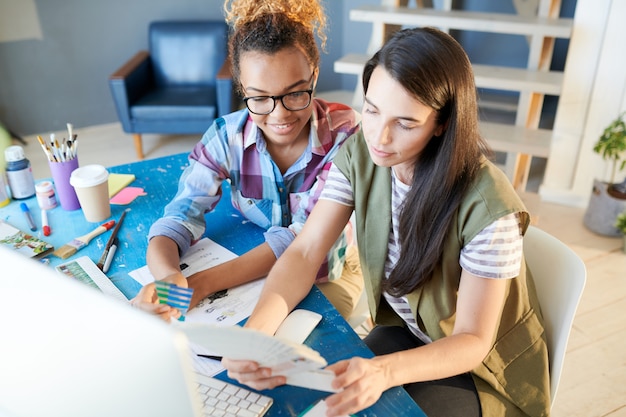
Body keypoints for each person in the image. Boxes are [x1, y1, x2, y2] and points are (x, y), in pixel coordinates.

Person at [222, 27, 551, 417]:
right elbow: (306, 250)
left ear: (442, 123)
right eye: (373, 110)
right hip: (406, 333)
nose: (379, 135)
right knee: (313, 400)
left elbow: (473, 340)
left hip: (480, 372)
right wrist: (257, 334)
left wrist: (382, 372)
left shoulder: (488, 208)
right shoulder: (362, 151)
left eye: (406, 123)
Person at [130, 0, 363, 320]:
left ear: (314, 76)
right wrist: (168, 276)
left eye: (296, 93)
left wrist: (201, 284)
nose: (280, 115)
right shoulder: (226, 136)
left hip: (329, 272)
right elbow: (180, 214)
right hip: (249, 269)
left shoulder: (345, 135)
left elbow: (303, 241)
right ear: (242, 89)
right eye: (260, 98)